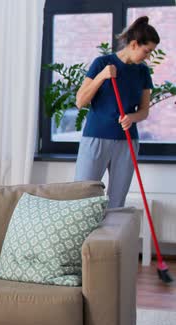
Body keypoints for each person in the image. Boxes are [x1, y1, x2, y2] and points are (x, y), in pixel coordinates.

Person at [74, 16, 159, 208]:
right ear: (134, 44)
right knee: (82, 197)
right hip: (96, 138)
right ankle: (85, 239)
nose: (148, 57)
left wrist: (132, 117)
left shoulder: (143, 72)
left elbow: (144, 111)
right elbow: (80, 101)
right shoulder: (101, 63)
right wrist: (102, 76)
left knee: (116, 202)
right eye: (147, 51)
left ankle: (109, 238)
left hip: (127, 142)